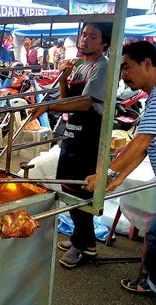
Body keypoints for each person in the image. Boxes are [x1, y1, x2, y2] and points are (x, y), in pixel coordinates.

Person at [84, 41, 156, 305]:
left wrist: (105, 175)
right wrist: (114, 178)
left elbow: (140, 143)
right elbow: (142, 147)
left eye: (126, 67)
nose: (123, 73)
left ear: (147, 63)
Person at [30, 22, 113, 268]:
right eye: (84, 34)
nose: (85, 39)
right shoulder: (79, 66)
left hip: (89, 138)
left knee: (82, 194)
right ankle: (83, 238)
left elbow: (86, 102)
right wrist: (65, 77)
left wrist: (48, 106)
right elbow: (68, 100)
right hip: (72, 135)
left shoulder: (102, 68)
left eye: (92, 36)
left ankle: (83, 245)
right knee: (67, 190)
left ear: (104, 42)